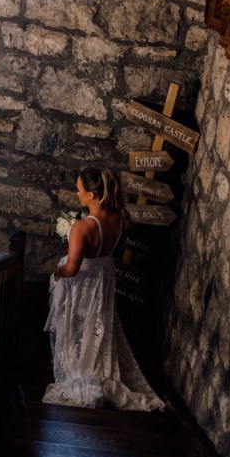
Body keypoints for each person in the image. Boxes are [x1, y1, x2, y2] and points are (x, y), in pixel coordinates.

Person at [43, 166, 165, 412]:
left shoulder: (82, 228)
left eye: (79, 190)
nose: (77, 194)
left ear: (91, 194)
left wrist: (58, 272)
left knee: (78, 328)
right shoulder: (118, 219)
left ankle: (81, 375)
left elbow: (73, 269)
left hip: (84, 285)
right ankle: (99, 369)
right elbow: (108, 252)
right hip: (104, 279)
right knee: (98, 325)